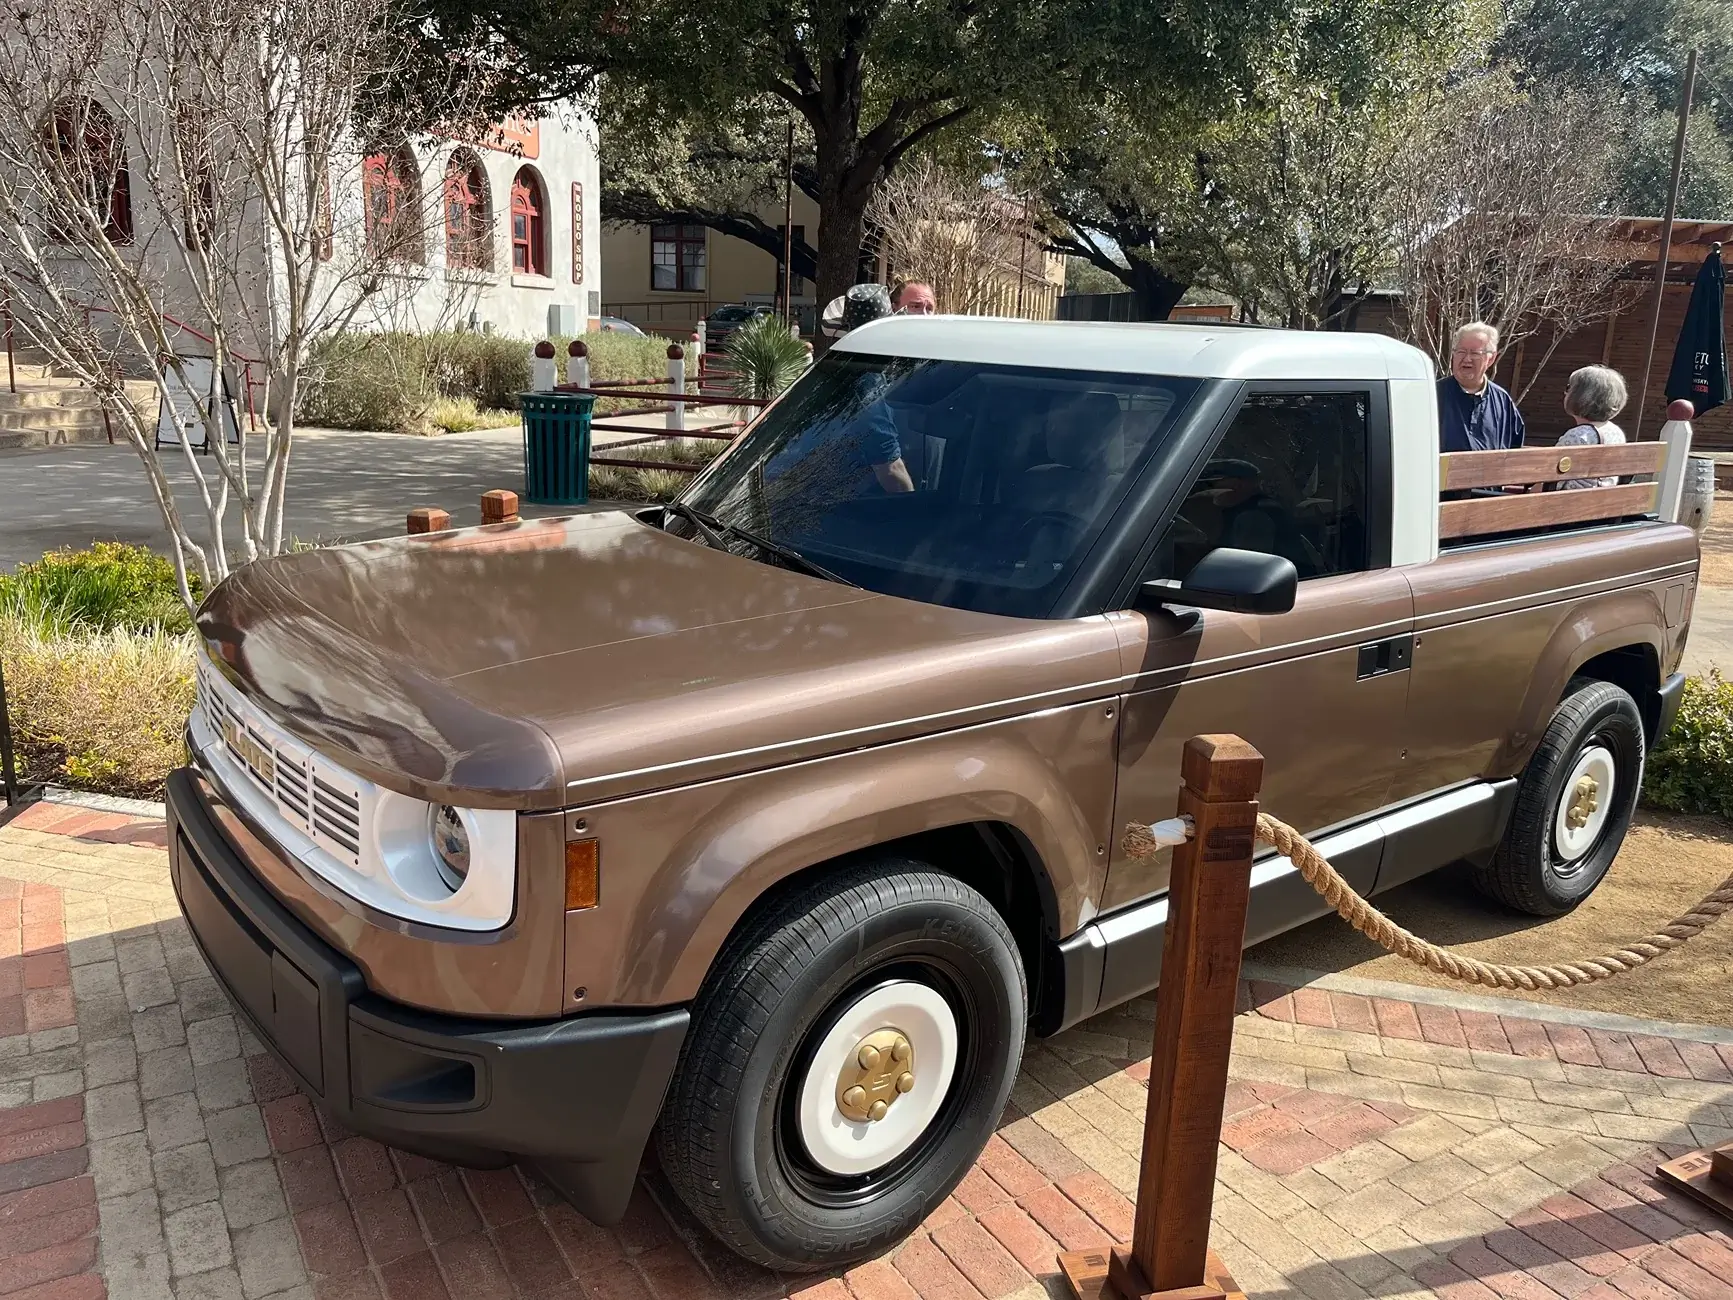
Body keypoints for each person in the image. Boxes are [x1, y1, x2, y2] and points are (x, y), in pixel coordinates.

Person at [1437, 322, 1525, 452]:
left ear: (1491, 359)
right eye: (1461, 352)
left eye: (1475, 353)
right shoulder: (1433, 395)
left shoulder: (1502, 401)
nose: (1467, 359)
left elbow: (1514, 451)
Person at [1552, 365, 1628, 491]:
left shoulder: (1577, 436)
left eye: (1569, 388)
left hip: (1567, 504)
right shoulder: (1616, 432)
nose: (1565, 392)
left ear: (1580, 396)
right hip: (1600, 502)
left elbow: (1551, 480)